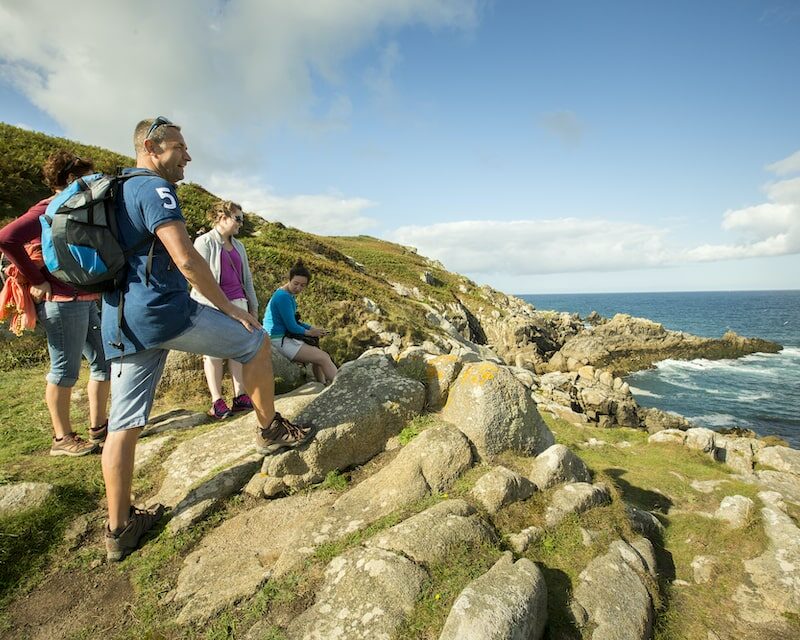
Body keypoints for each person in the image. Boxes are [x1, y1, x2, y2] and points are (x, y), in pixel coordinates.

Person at [100, 117, 315, 562]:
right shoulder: (155, 190)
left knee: (123, 425)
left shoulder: (116, 189)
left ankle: (119, 529)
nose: (188, 156)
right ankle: (269, 430)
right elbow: (187, 260)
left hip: (120, 318)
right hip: (166, 313)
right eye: (179, 147)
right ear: (150, 147)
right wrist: (233, 310)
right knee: (254, 342)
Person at [0, 150, 110, 456]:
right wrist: (37, 280)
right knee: (65, 371)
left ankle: (99, 427)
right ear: (71, 179)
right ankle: (62, 439)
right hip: (62, 301)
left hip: (85, 299)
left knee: (103, 362)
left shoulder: (76, 206)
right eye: (86, 176)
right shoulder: (47, 209)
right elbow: (6, 237)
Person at [191, 200, 257, 419]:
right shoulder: (204, 242)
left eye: (242, 219)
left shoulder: (239, 246)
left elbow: (247, 279)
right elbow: (198, 279)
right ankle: (217, 401)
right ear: (222, 217)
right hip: (213, 305)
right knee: (212, 354)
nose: (241, 223)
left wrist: (253, 308)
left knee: (238, 350)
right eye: (238, 218)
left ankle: (240, 396)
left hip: (239, 303)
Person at [264, 260, 338, 385]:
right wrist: (310, 332)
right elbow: (292, 326)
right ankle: (341, 385)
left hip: (280, 337)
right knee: (324, 357)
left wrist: (311, 328)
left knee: (318, 354)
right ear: (289, 280)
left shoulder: (286, 294)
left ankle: (321, 385)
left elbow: (293, 320)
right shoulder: (283, 297)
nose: (298, 288)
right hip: (278, 340)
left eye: (302, 285)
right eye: (296, 283)